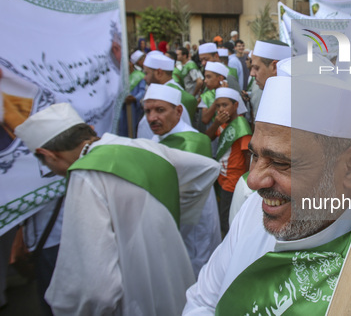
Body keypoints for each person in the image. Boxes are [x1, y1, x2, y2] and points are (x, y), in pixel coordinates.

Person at [183, 76, 351, 315]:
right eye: (255, 155)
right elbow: (202, 301)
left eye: (281, 162)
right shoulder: (257, 208)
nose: (253, 181)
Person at [15, 103, 220, 315]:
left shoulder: (86, 175)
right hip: (174, 282)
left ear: (47, 154)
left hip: (133, 298)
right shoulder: (139, 146)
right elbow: (206, 168)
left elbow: (96, 289)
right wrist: (169, 218)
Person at [143, 84, 221, 278]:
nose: (152, 118)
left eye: (160, 110)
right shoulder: (158, 137)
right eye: (148, 111)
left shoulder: (191, 143)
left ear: (178, 111)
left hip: (191, 222)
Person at [204, 87, 251, 236]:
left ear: (236, 105)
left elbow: (248, 157)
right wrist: (215, 124)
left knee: (227, 220)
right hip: (221, 179)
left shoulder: (241, 126)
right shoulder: (222, 124)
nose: (221, 109)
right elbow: (206, 139)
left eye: (225, 105)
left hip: (233, 181)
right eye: (218, 106)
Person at [137, 51, 196, 139]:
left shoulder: (160, 98)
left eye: (147, 73)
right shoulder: (178, 90)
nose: (144, 77)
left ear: (159, 73)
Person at [118, 50, 146, 138]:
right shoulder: (119, 78)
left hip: (135, 108)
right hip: (122, 109)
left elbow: (142, 91)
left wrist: (135, 98)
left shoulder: (139, 75)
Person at [198, 61, 229, 127]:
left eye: (208, 77)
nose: (205, 81)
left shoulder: (231, 94)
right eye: (205, 77)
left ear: (220, 78)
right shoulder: (206, 96)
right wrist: (219, 97)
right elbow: (205, 119)